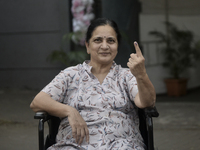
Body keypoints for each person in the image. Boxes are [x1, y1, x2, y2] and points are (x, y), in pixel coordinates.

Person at [30, 18, 156, 150]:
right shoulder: (71, 75)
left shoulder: (127, 76)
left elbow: (147, 102)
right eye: (98, 40)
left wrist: (141, 74)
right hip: (73, 144)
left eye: (111, 41)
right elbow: (37, 102)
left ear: (117, 47)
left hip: (122, 144)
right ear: (87, 46)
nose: (105, 46)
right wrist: (69, 111)